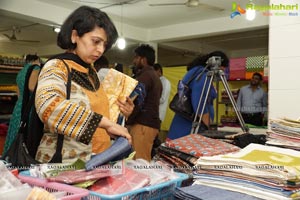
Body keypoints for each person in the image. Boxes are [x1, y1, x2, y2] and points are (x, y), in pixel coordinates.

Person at [34, 6, 133, 163]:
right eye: (95, 41)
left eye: (104, 44)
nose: (101, 50)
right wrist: (106, 124)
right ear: (75, 36)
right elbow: (49, 107)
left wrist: (121, 114)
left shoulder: (91, 72)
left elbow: (95, 113)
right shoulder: (56, 66)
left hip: (99, 158)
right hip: (66, 164)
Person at [167, 51, 229, 140]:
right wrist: (210, 128)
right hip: (189, 130)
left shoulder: (197, 72)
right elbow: (199, 103)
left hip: (186, 127)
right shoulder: (202, 75)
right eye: (222, 70)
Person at [126, 44, 162, 162]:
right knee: (141, 160)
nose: (134, 61)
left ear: (143, 59)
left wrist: (128, 119)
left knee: (139, 162)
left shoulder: (145, 76)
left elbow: (135, 101)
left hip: (143, 125)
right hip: (148, 124)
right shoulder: (154, 76)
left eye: (136, 57)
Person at [3, 54, 41, 154]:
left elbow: (18, 92)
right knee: (26, 135)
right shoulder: (35, 68)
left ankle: (11, 157)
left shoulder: (21, 71)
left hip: (19, 106)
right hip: (29, 106)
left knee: (16, 132)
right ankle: (22, 158)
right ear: (36, 60)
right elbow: (32, 87)